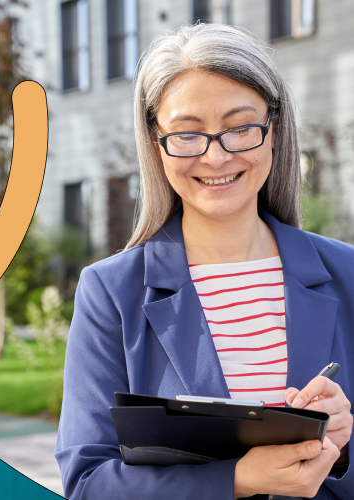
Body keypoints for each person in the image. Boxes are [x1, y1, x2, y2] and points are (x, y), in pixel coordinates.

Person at [54, 23, 353, 499]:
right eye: (188, 134)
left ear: (273, 131)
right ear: (157, 143)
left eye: (240, 128)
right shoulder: (111, 293)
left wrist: (343, 447)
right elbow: (88, 484)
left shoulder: (348, 274)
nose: (216, 156)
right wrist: (237, 479)